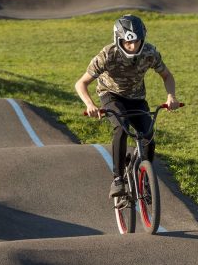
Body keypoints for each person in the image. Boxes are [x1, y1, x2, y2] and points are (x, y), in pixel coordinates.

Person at [75, 14, 180, 198]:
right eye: (127, 42)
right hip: (111, 95)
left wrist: (171, 96)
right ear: (119, 40)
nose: (132, 46)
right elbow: (81, 83)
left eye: (136, 41)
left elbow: (167, 76)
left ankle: (146, 179)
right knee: (121, 128)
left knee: (148, 135)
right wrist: (90, 105)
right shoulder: (107, 55)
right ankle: (118, 179)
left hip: (136, 98)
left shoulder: (149, 53)